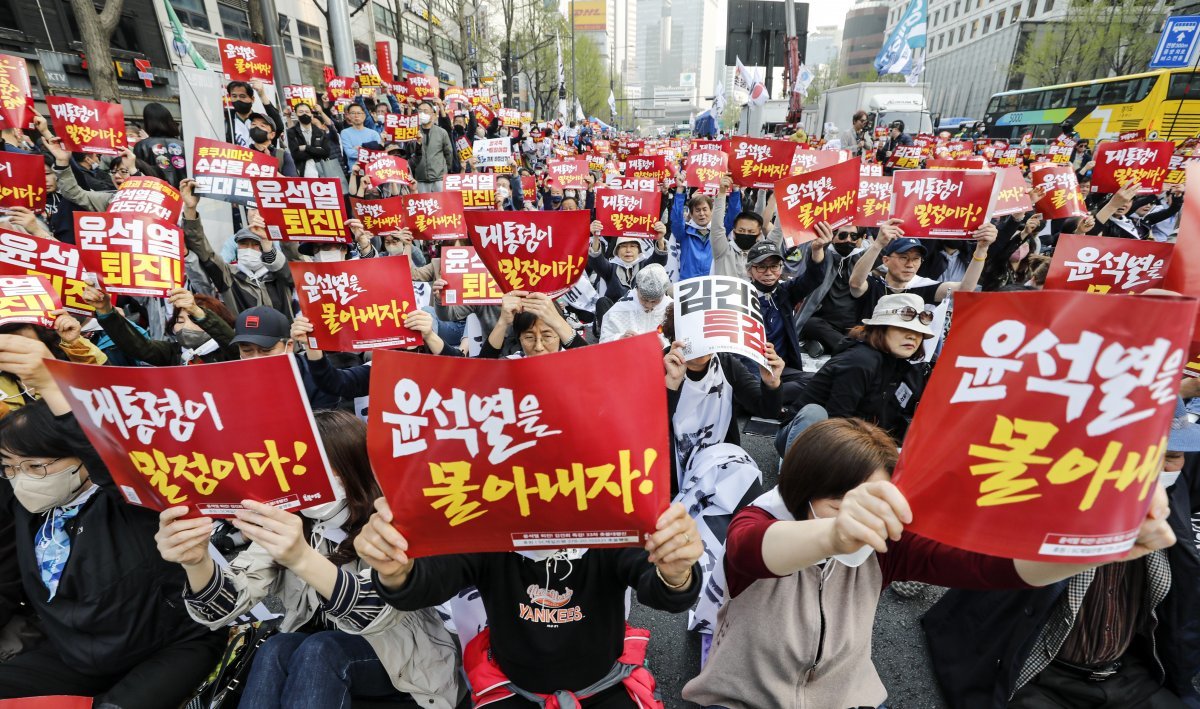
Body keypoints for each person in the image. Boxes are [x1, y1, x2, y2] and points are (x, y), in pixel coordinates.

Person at [681, 417, 1178, 709]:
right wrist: (834, 532)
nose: (865, 522)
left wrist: (1089, 546)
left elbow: (992, 569)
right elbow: (756, 550)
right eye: (845, 503)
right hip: (741, 699)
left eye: (879, 501)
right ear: (804, 492)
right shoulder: (757, 522)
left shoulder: (886, 545)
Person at [156, 409, 461, 708]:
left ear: (353, 466)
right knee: (275, 646)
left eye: (319, 468)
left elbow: (378, 611)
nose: (304, 478)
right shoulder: (296, 522)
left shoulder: (388, 520)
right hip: (311, 660)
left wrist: (301, 558)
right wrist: (196, 561)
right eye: (297, 468)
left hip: (404, 664)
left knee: (321, 648)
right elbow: (228, 604)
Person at [925, 394, 1200, 708]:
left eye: (1173, 456)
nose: (1158, 469)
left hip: (1126, 673)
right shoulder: (1047, 496)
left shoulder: (1171, 506)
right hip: (1042, 672)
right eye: (1146, 455)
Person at [0, 335, 225, 707]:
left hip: (167, 648)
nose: (21, 478)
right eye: (9, 468)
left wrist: (51, 385)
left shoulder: (133, 501)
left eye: (36, 466)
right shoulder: (30, 512)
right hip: (79, 655)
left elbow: (108, 458)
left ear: (81, 460)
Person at [354, 494, 703, 708]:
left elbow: (660, 587)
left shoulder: (609, 518)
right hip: (513, 688)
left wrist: (676, 571)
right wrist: (395, 568)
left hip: (605, 683)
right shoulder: (484, 526)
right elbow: (428, 581)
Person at [776, 293, 932, 457]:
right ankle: (797, 473)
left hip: (854, 440)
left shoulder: (899, 366)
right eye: (903, 328)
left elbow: (891, 423)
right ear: (880, 328)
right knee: (814, 412)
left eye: (918, 332)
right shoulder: (861, 361)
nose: (912, 336)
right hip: (808, 437)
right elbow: (838, 421)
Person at [180, 179, 294, 317]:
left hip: (285, 338)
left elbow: (292, 266)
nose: (249, 249)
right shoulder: (228, 276)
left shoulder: (280, 275)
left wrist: (267, 243)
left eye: (255, 244)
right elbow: (204, 251)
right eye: (243, 244)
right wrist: (190, 209)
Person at [848, 220, 997, 319]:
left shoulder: (922, 287)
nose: (910, 264)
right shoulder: (873, 284)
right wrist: (878, 244)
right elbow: (855, 283)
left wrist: (982, 250)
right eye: (904, 257)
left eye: (916, 259)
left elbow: (965, 288)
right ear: (886, 260)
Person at [744, 237, 828, 398]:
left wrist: (816, 249)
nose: (769, 273)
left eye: (774, 266)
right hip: (750, 371)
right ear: (750, 270)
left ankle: (767, 398)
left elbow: (813, 278)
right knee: (747, 390)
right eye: (761, 267)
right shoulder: (740, 297)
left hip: (781, 369)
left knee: (818, 382)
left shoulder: (785, 292)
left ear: (781, 268)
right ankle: (764, 398)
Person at [83, 285, 238, 366]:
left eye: (193, 319)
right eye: (179, 321)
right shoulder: (174, 353)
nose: (185, 327)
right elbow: (139, 346)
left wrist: (198, 312)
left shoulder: (230, 353)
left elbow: (231, 343)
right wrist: (106, 311)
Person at [0, 310, 107, 412]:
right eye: (6, 335)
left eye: (25, 342)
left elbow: (107, 384)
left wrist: (74, 341)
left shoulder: (70, 352)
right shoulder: (5, 387)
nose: (15, 344)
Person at [797, 225, 866, 356]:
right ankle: (850, 350)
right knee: (811, 324)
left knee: (865, 333)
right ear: (833, 237)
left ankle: (825, 346)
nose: (848, 240)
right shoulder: (825, 253)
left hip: (850, 325)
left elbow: (881, 251)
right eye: (843, 235)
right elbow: (815, 259)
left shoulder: (861, 258)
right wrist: (821, 243)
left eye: (853, 236)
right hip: (822, 322)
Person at [482, 291, 585, 359]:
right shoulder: (512, 365)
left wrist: (558, 322)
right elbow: (481, 374)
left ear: (560, 336)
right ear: (519, 338)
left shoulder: (573, 362)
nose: (539, 347)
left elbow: (595, 367)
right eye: (529, 337)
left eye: (547, 336)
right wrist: (502, 322)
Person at [599, 264, 672, 343]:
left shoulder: (673, 308)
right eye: (644, 299)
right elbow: (604, 341)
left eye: (654, 301)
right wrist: (620, 338)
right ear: (637, 289)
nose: (648, 305)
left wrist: (664, 345)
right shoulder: (622, 307)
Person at [133, 102, 187, 186]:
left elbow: (140, 173)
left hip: (157, 192)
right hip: (185, 193)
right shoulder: (184, 145)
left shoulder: (141, 146)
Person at [669, 188, 717, 280]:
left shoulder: (718, 233)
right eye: (697, 210)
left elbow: (732, 218)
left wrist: (735, 191)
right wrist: (679, 191)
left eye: (704, 209)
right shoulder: (684, 232)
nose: (701, 213)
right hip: (688, 285)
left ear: (711, 211)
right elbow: (677, 220)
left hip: (712, 285)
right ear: (690, 214)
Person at [226, 79, 284, 149]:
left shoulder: (260, 119)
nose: (238, 99)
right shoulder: (226, 120)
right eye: (234, 96)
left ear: (252, 99)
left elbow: (279, 126)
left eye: (242, 96)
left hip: (263, 159)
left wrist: (262, 95)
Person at [410, 100, 453, 193]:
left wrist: (445, 170)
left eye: (425, 111)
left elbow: (448, 153)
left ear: (433, 114)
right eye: (420, 111)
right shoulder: (413, 132)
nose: (422, 114)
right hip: (420, 179)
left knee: (441, 204)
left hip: (439, 179)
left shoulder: (441, 132)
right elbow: (410, 154)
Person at [288, 102, 333, 178]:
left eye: (307, 112)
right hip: (301, 172)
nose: (304, 114)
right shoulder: (292, 132)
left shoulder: (320, 132)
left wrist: (306, 148)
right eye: (301, 112)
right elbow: (295, 154)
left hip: (321, 173)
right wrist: (317, 151)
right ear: (296, 115)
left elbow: (326, 152)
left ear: (311, 114)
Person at [248, 112, 297, 177]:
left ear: (272, 135)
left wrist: (269, 168)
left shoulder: (282, 155)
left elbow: (292, 183)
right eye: (253, 124)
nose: (256, 127)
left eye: (262, 126)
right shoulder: (243, 153)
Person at [341, 103, 383, 173]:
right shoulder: (345, 133)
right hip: (355, 172)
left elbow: (378, 153)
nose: (356, 116)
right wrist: (369, 151)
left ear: (364, 115)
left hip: (373, 171)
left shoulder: (373, 133)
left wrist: (360, 148)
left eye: (359, 113)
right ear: (349, 116)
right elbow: (350, 153)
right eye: (353, 113)